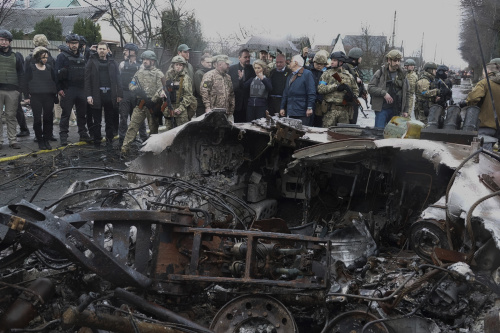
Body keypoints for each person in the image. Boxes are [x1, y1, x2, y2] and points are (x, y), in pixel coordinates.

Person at [121, 50, 165, 155]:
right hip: (140, 105)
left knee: (153, 129)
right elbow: (131, 85)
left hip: (153, 106)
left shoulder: (158, 74)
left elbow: (162, 89)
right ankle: (124, 149)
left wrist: (153, 100)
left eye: (147, 60)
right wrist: (137, 89)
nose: (145, 61)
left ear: (153, 61)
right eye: (144, 59)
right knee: (132, 126)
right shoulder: (139, 72)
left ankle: (152, 151)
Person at [55, 33, 91, 146]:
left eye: (76, 43)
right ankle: (64, 136)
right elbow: (56, 75)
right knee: (65, 115)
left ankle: (83, 134)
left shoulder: (82, 56)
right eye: (72, 43)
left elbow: (86, 74)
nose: (74, 45)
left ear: (79, 44)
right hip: (68, 89)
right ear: (68, 44)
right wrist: (59, 89)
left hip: (81, 90)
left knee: (81, 114)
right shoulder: (62, 57)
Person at [85, 41, 123, 147]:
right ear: (97, 50)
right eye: (100, 49)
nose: (101, 51)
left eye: (103, 49)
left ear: (107, 50)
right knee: (96, 120)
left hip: (110, 95)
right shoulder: (91, 61)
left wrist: (119, 94)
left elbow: (118, 79)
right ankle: (97, 140)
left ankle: (109, 140)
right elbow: (87, 80)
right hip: (96, 94)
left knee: (109, 120)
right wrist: (89, 95)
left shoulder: (113, 62)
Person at [23, 46, 58, 150]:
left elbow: (54, 82)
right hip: (36, 97)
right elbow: (25, 82)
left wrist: (55, 95)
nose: (45, 59)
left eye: (46, 57)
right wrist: (26, 96)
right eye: (43, 57)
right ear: (37, 57)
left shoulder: (49, 68)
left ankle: (46, 139)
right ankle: (40, 140)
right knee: (37, 120)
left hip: (48, 97)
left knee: (48, 118)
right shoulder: (31, 68)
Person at [461, 61, 500, 151]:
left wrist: (467, 103)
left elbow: (472, 99)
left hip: (485, 127)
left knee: (483, 158)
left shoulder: (485, 83)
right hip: (498, 129)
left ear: (487, 71)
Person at [368, 49, 410, 128]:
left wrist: (405, 110)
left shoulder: (403, 75)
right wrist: (384, 93)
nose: (397, 63)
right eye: (394, 60)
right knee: (379, 132)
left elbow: (407, 93)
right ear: (388, 60)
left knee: (393, 135)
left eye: (398, 60)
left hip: (396, 109)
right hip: (382, 109)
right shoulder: (380, 72)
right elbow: (370, 88)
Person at [317, 51, 359, 127]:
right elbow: (320, 89)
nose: (331, 62)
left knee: (342, 134)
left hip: (344, 111)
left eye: (334, 60)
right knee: (327, 133)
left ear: (341, 62)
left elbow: (356, 90)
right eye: (331, 60)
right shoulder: (326, 74)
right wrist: (335, 86)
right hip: (330, 111)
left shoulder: (349, 76)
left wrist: (351, 97)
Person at [118, 43, 147, 148]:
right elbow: (119, 81)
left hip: (137, 95)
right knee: (123, 117)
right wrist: (119, 94)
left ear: (133, 52)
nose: (124, 52)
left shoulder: (141, 65)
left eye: (127, 50)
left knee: (139, 117)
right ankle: (122, 139)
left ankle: (144, 138)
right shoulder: (122, 64)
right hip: (125, 94)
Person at [0, 29, 24, 149]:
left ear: (9, 42)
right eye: (1, 40)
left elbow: (21, 73)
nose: (3, 42)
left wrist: (19, 90)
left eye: (5, 40)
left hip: (12, 91)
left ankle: (12, 140)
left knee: (11, 116)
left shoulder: (17, 56)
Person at [279, 54, 316, 126]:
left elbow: (311, 92)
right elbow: (285, 93)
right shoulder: (290, 76)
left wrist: (309, 107)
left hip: (302, 111)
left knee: (302, 133)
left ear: (296, 63)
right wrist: (282, 107)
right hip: (291, 110)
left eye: (291, 61)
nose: (289, 63)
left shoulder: (307, 74)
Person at [163, 55, 197, 130]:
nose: (178, 67)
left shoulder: (186, 78)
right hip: (169, 109)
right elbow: (161, 88)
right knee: (169, 132)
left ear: (183, 66)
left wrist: (180, 108)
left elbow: (188, 96)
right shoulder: (167, 77)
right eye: (177, 65)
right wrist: (161, 92)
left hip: (180, 111)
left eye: (180, 65)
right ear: (173, 66)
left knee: (182, 132)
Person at [200, 54, 235, 122]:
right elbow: (204, 91)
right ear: (220, 65)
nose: (228, 66)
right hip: (214, 112)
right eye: (227, 64)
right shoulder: (210, 75)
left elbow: (231, 94)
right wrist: (207, 107)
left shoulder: (228, 77)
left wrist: (231, 111)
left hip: (227, 113)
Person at [228, 49, 255, 122]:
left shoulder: (253, 69)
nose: (248, 59)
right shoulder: (232, 69)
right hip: (236, 102)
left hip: (249, 103)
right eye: (245, 57)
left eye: (249, 57)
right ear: (239, 58)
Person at [344, 47, 367, 124]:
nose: (361, 59)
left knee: (353, 121)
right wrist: (355, 78)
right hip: (347, 100)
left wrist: (363, 91)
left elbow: (359, 81)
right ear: (356, 58)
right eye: (360, 57)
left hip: (354, 98)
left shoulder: (354, 68)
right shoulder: (346, 67)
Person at [308, 51, 329, 127]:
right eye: (317, 63)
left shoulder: (327, 73)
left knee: (319, 124)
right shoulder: (308, 70)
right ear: (314, 62)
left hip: (321, 102)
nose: (319, 66)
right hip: (310, 101)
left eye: (321, 64)